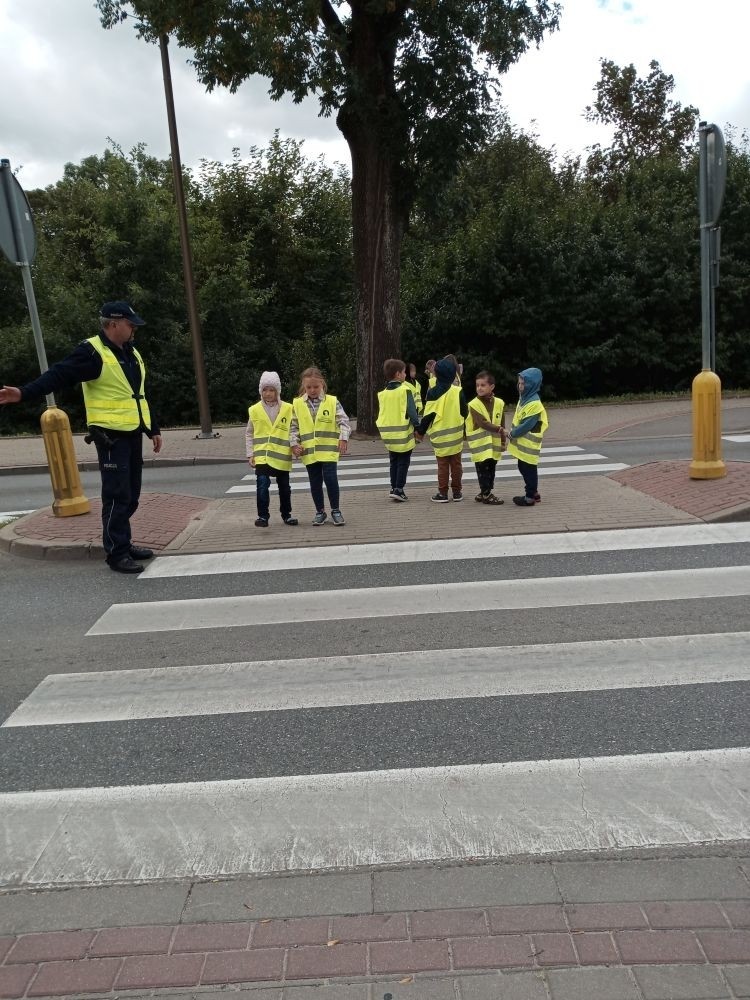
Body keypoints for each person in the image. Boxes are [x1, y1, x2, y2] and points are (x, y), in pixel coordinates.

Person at [0, 301, 162, 573]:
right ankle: (116, 552)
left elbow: (139, 395)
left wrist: (153, 428)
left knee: (131, 495)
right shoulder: (92, 352)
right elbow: (59, 374)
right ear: (112, 324)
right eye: (130, 323)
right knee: (117, 496)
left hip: (133, 433)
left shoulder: (130, 352)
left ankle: (123, 541)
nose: (134, 328)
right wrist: (24, 393)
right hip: (111, 437)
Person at [290, 366, 350, 525]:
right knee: (315, 482)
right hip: (309, 452)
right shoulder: (297, 404)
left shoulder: (332, 401)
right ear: (303, 386)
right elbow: (293, 427)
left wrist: (343, 439)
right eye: (308, 387)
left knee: (331, 480)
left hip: (329, 451)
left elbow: (343, 421)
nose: (312, 390)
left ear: (322, 385)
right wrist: (294, 444)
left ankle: (336, 510)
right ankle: (320, 511)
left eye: (316, 386)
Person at [246, 371, 298, 528]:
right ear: (261, 391)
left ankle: (286, 515)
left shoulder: (288, 408)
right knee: (262, 484)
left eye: (272, 390)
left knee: (284, 488)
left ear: (278, 391)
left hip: (281, 456)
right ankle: (263, 516)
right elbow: (249, 433)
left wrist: (295, 445)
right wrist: (250, 454)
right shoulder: (254, 410)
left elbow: (293, 429)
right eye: (265, 390)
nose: (268, 393)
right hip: (263, 456)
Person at [416, 356, 468, 502]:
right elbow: (465, 412)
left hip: (440, 437)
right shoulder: (458, 391)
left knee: (443, 466)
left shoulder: (432, 393)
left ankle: (443, 493)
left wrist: (420, 432)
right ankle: (457, 492)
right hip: (456, 436)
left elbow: (428, 416)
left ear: (436, 374)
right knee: (457, 465)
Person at [376, 358, 422, 502]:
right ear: (397, 374)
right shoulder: (404, 390)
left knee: (393, 461)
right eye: (403, 373)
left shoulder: (382, 393)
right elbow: (412, 411)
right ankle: (399, 489)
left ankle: (393, 486)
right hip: (403, 433)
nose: (405, 375)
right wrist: (418, 427)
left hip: (388, 434)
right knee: (403, 462)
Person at [503, 367, 548, 507]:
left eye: (523, 383)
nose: (520, 386)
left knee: (528, 469)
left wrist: (512, 434)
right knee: (524, 467)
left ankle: (529, 497)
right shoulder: (525, 398)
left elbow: (527, 425)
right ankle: (533, 492)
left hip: (529, 444)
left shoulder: (534, 403)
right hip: (524, 443)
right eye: (519, 383)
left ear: (532, 385)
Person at [466, 370, 505, 505]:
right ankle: (487, 494)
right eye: (477, 385)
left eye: (483, 385)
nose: (479, 388)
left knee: (491, 469)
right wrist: (498, 429)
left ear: (492, 387)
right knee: (483, 469)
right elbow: (482, 422)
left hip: (493, 444)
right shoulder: (473, 404)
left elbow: (502, 422)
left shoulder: (499, 403)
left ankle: (484, 492)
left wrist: (503, 441)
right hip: (480, 445)